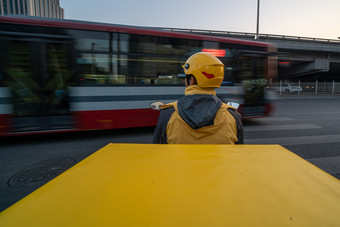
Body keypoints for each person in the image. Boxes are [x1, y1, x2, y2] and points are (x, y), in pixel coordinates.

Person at [152, 52, 244, 144]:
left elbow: (157, 151)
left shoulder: (168, 114)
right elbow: (238, 153)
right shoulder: (232, 116)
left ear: (191, 80)